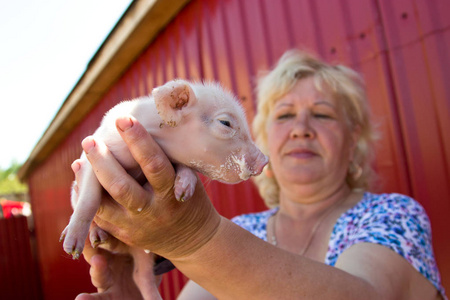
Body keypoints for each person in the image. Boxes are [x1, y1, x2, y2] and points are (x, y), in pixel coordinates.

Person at [74, 49, 446, 300]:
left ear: (355, 143)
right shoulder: (245, 229)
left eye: (323, 114)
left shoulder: (394, 215)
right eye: (284, 116)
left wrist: (194, 240)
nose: (300, 128)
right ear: (261, 140)